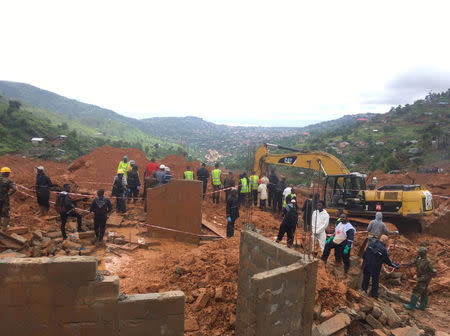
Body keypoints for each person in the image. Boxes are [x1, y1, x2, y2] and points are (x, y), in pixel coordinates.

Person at [0, 167, 16, 231]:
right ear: (7, 174)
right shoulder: (9, 181)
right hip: (5, 199)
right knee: (6, 212)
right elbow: (14, 189)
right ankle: (4, 228)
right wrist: (9, 194)